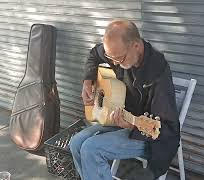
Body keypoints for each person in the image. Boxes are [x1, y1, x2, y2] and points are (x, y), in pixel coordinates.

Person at [69, 20, 180, 180]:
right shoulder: (118, 52)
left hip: (145, 133)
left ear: (135, 45)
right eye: (110, 57)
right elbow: (94, 54)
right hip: (120, 119)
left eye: (119, 58)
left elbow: (164, 128)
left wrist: (132, 124)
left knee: (91, 149)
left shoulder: (158, 73)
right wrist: (88, 80)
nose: (114, 63)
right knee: (76, 143)